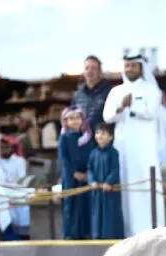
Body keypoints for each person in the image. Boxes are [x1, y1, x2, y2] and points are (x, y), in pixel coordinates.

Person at [103, 46, 164, 235]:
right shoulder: (116, 91)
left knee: (146, 188)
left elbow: (152, 112)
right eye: (127, 66)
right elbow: (107, 117)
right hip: (123, 148)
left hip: (145, 150)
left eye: (133, 66)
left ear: (141, 68)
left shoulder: (152, 91)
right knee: (125, 191)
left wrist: (133, 106)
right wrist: (121, 108)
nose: (129, 69)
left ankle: (150, 232)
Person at [58, 106, 93, 240]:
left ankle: (86, 232)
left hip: (86, 176)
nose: (75, 121)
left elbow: (91, 156)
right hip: (70, 177)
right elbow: (63, 158)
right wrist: (73, 173)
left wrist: (88, 173)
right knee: (71, 204)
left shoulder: (88, 137)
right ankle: (71, 234)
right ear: (66, 121)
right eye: (71, 118)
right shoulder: (64, 138)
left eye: (78, 118)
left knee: (85, 203)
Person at [88, 123, 125, 240]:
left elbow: (115, 169)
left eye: (103, 133)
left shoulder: (114, 152)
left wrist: (109, 182)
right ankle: (96, 235)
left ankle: (111, 236)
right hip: (97, 191)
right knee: (97, 213)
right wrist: (92, 181)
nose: (100, 136)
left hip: (110, 191)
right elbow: (90, 170)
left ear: (110, 137)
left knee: (110, 213)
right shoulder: (93, 153)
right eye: (97, 133)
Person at [0, 135, 30, 240]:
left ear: (12, 148)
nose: (3, 150)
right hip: (2, 191)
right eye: (2, 147)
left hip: (17, 190)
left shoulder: (19, 161)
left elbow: (21, 180)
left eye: (6, 147)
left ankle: (22, 234)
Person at [71, 55, 112, 132]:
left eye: (93, 68)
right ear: (83, 72)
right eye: (87, 68)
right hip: (82, 139)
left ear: (100, 71)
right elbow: (72, 117)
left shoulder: (109, 92)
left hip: (101, 140)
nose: (89, 71)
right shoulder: (78, 95)